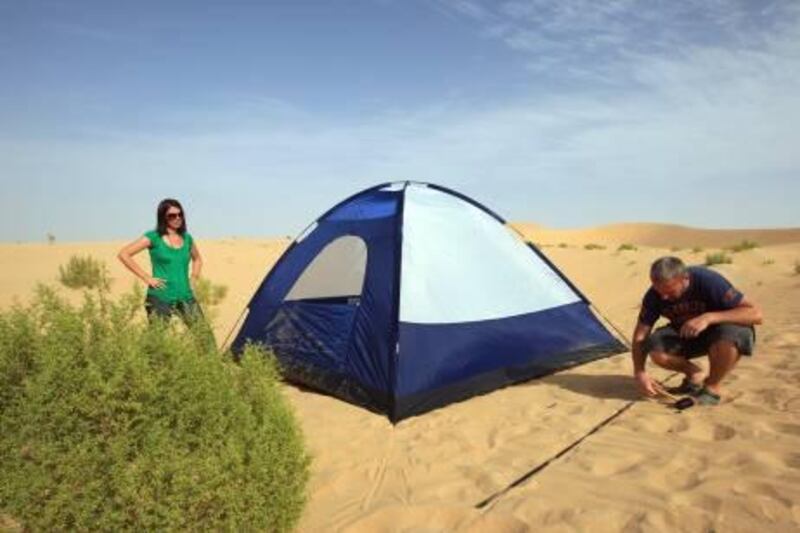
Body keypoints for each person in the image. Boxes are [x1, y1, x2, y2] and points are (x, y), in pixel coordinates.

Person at [631, 256, 762, 405]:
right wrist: (639, 372)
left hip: (719, 332)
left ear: (685, 278)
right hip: (686, 333)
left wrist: (709, 318)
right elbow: (640, 335)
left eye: (670, 291)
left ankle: (712, 387)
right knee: (655, 347)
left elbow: (756, 314)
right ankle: (694, 373)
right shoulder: (654, 295)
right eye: (659, 291)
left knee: (732, 334)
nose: (664, 297)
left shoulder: (708, 281)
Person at [118, 199, 212, 341]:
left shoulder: (187, 238)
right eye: (172, 215)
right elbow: (124, 254)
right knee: (156, 341)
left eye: (180, 214)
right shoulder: (153, 237)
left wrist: (194, 277)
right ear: (163, 217)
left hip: (186, 295)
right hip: (160, 297)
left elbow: (197, 259)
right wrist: (146, 277)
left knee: (205, 338)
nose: (177, 218)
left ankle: (210, 363)